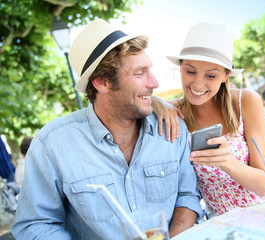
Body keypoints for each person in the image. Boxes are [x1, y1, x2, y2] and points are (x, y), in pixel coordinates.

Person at [12, 19, 202, 239]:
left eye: (150, 70)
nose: (154, 83)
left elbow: (187, 197)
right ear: (102, 83)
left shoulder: (171, 127)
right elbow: (35, 224)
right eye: (140, 73)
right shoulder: (51, 145)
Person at [152, 22, 265, 217]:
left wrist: (227, 161)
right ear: (181, 68)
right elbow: (136, 100)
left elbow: (263, 185)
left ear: (226, 75)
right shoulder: (173, 111)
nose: (198, 84)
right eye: (190, 71)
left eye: (211, 75)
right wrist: (154, 101)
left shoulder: (247, 102)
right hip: (221, 226)